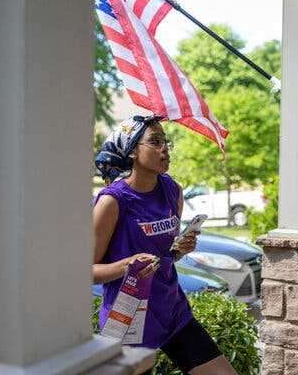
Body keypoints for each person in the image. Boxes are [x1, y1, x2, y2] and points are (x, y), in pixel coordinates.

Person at [92, 115, 236, 375]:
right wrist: (127, 266)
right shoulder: (112, 202)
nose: (164, 148)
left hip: (173, 312)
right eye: (154, 142)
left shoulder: (172, 190)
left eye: (165, 141)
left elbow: (168, 254)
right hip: (129, 321)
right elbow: (86, 270)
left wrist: (181, 248)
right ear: (133, 151)